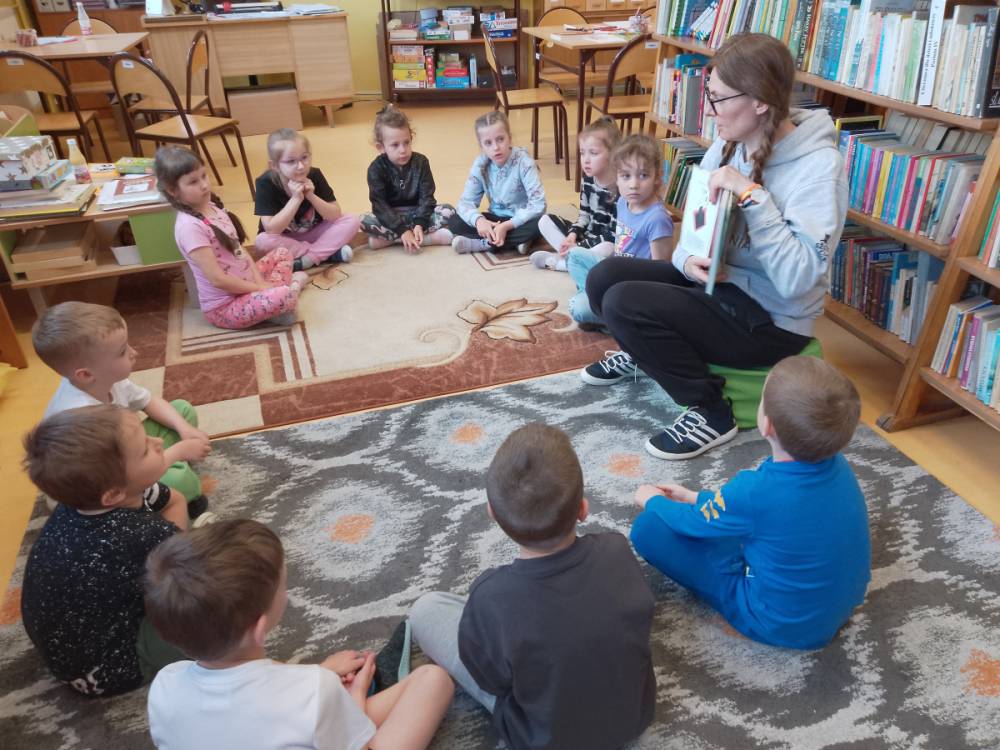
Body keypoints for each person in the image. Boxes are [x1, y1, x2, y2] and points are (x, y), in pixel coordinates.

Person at [580, 33, 849, 460]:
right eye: (710, 95)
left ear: (759, 101)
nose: (709, 109)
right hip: (720, 290)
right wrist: (689, 261)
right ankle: (644, 354)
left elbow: (797, 281)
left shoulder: (819, 167)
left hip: (771, 321)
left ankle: (711, 411)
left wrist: (753, 196)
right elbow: (689, 238)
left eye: (718, 98)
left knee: (623, 303)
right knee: (604, 277)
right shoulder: (729, 143)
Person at [409, 423, 655, 750]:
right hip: (632, 719)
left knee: (427, 609)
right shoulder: (617, 549)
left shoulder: (491, 595)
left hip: (542, 739)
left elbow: (492, 681)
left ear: (492, 514)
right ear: (583, 509)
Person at [144, 519, 454, 750]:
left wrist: (322, 671)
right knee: (434, 679)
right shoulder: (315, 690)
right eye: (282, 585)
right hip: (325, 715)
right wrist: (354, 699)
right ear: (260, 627)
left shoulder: (164, 686)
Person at [630, 356, 870, 650]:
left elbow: (693, 523)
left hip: (778, 624)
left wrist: (653, 500)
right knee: (756, 528)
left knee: (649, 528)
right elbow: (760, 513)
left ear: (766, 425)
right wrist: (695, 497)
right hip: (840, 604)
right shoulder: (839, 465)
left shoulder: (754, 491)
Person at [20, 405, 190, 697]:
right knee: (216, 619)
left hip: (68, 648)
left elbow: (171, 499)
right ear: (113, 494)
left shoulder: (84, 502)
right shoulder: (138, 533)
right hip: (107, 669)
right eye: (145, 450)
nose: (159, 442)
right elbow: (186, 569)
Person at [35, 300, 212, 518]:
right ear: (86, 374)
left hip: (128, 450)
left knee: (181, 410)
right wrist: (178, 453)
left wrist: (183, 428)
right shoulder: (82, 416)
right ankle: (179, 483)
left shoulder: (105, 379)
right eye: (121, 352)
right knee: (180, 482)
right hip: (106, 480)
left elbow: (148, 402)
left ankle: (169, 464)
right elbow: (120, 477)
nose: (134, 352)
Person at [156, 146, 309, 330]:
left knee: (283, 253)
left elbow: (239, 251)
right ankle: (290, 290)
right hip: (225, 307)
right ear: (172, 190)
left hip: (247, 284)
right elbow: (218, 280)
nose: (204, 185)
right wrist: (260, 289)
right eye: (193, 182)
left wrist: (260, 283)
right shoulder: (189, 228)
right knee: (283, 295)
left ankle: (277, 302)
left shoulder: (213, 207)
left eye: (204, 176)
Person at [567, 133, 674, 327]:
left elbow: (661, 275)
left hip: (633, 287)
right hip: (616, 272)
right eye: (626, 176)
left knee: (577, 308)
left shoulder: (657, 219)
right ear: (616, 177)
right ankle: (603, 305)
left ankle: (616, 316)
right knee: (573, 256)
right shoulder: (623, 202)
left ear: (657, 177)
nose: (633, 185)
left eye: (643, 175)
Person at [254, 128, 362, 271]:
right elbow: (272, 229)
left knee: (352, 220)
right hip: (286, 240)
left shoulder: (314, 174)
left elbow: (335, 214)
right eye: (291, 161)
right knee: (262, 242)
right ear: (275, 166)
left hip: (315, 233)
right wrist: (295, 199)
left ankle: (307, 260)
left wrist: (311, 195)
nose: (300, 166)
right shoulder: (265, 183)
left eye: (304, 157)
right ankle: (327, 254)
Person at [530, 116, 621, 272]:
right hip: (586, 239)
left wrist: (579, 247)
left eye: (593, 153)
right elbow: (584, 217)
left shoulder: (620, 187)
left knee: (609, 247)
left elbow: (613, 234)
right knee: (544, 221)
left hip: (603, 243)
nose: (586, 160)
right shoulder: (587, 180)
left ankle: (561, 263)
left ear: (613, 154)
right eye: (582, 153)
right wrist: (571, 236)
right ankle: (573, 258)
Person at [361, 105, 455, 253]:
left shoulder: (421, 162)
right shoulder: (376, 168)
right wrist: (402, 230)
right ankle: (425, 239)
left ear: (411, 138)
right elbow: (379, 205)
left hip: (417, 214)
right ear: (381, 147)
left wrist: (420, 224)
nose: (403, 150)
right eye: (395, 145)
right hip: (391, 217)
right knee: (362, 220)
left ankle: (391, 240)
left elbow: (427, 197)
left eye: (406, 142)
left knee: (449, 211)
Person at [449, 111, 546, 255]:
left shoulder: (524, 163)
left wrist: (506, 226)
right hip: (495, 220)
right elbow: (465, 203)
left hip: (521, 220)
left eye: (500, 139)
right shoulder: (480, 164)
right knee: (454, 220)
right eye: (488, 143)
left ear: (509, 138)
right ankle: (514, 241)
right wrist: (479, 221)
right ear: (481, 146)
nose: (495, 147)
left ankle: (484, 243)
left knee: (543, 222)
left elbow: (538, 204)